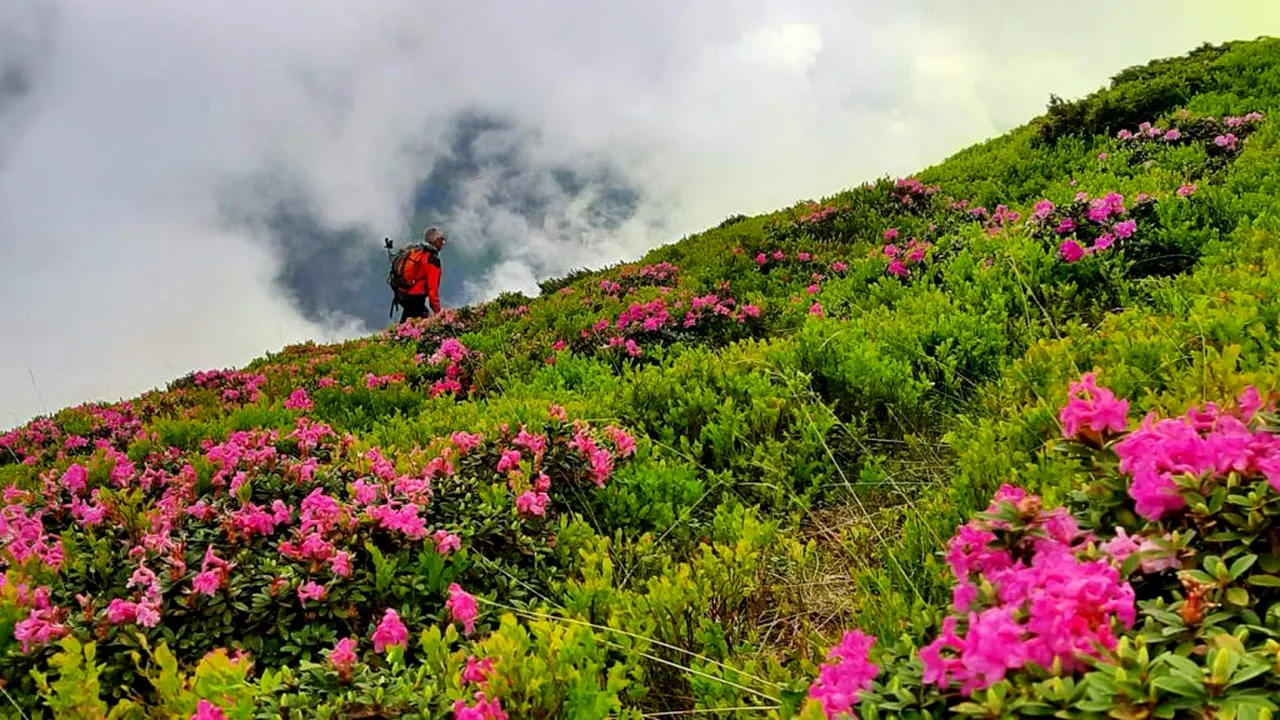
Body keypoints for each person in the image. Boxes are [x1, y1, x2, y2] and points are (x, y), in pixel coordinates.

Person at [398, 227, 446, 323]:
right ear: (435, 241)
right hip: (415, 297)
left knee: (407, 323)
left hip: (403, 293)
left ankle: (395, 335)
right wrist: (438, 313)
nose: (443, 243)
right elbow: (433, 289)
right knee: (421, 324)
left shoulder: (419, 252)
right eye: (441, 240)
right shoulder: (432, 259)